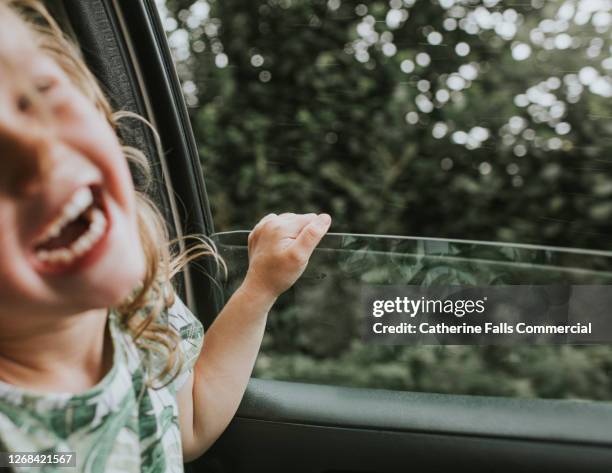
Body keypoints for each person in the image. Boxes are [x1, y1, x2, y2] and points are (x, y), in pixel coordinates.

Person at [0, 1, 332, 471]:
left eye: (38, 92)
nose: (40, 152)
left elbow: (189, 425)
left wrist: (260, 286)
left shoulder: (142, 309)